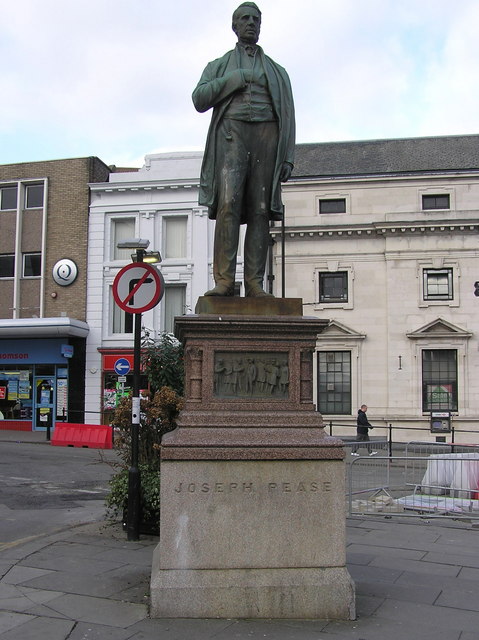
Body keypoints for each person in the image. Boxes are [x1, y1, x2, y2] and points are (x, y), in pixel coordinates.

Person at [192, 2, 295, 297]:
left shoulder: (278, 71)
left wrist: (287, 156)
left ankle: (254, 283)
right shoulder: (219, 65)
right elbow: (199, 99)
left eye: (256, 19)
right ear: (234, 26)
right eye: (244, 19)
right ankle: (224, 281)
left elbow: (288, 114)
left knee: (261, 209)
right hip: (231, 135)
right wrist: (233, 80)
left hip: (267, 135)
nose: (251, 23)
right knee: (228, 205)